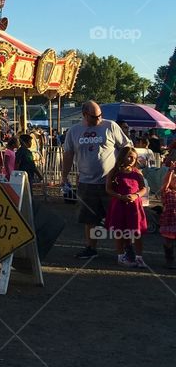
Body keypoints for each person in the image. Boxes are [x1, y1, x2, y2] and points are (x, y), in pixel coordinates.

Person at [62, 100, 131, 259]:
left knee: (118, 217)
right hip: (86, 182)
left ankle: (126, 249)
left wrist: (125, 167)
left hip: (111, 181)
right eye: (94, 117)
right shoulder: (74, 131)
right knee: (89, 218)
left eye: (100, 115)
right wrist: (64, 175)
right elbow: (68, 154)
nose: (99, 119)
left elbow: (126, 146)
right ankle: (91, 248)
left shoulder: (111, 126)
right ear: (85, 115)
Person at [105, 147, 149, 268]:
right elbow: (108, 189)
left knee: (137, 232)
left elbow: (143, 188)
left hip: (134, 206)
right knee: (120, 232)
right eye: (129, 156)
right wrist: (119, 196)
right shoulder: (114, 172)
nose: (131, 160)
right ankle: (121, 256)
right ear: (122, 156)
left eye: (134, 158)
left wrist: (136, 195)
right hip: (119, 205)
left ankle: (139, 257)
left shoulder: (137, 173)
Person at [160, 168, 176, 268]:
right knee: (168, 241)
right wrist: (171, 172)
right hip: (169, 220)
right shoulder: (166, 192)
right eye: (175, 180)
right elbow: (166, 183)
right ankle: (169, 260)